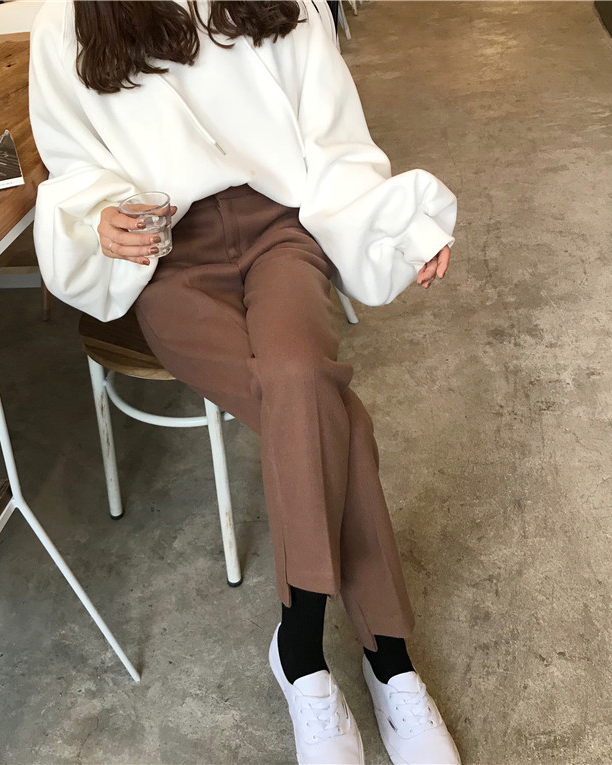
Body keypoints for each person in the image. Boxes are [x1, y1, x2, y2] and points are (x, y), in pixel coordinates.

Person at [28, 2, 460, 763]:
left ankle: (301, 650)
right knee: (330, 414)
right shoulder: (66, 20)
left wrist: (400, 225)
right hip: (166, 261)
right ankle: (388, 658)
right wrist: (97, 217)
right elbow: (72, 162)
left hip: (281, 232)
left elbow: (334, 141)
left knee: (301, 378)